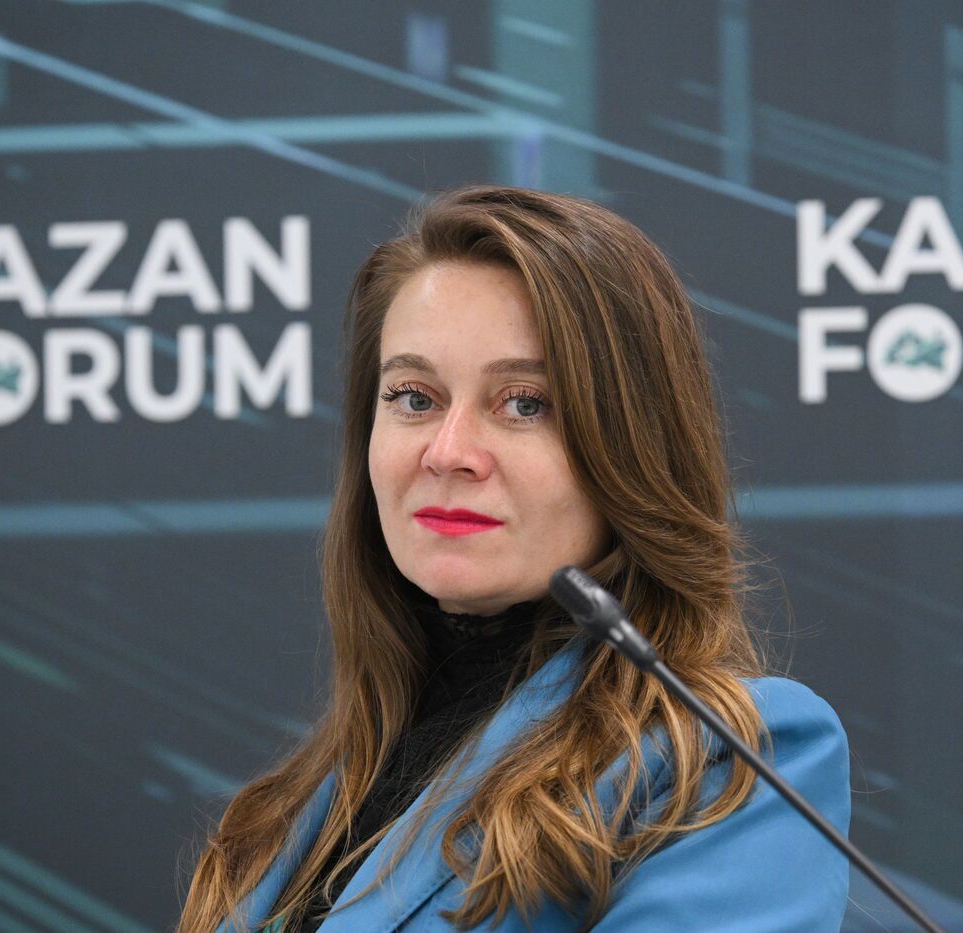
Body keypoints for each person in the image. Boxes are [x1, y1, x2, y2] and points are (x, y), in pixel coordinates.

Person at [177, 186, 850, 932]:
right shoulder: (288, 810)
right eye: (414, 397)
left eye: (525, 402)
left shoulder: (730, 757)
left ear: (632, 449)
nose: (448, 452)